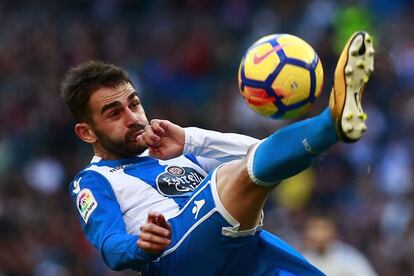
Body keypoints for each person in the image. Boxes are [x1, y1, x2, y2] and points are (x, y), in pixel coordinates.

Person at [61, 31, 374, 275]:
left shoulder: (171, 151)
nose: (133, 118)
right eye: (114, 114)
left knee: (251, 170)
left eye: (134, 103)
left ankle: (331, 124)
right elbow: (110, 246)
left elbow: (261, 154)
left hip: (244, 249)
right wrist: (139, 245)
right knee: (233, 176)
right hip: (178, 258)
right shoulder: (92, 180)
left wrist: (190, 140)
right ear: (87, 132)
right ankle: (331, 122)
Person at [302, 216, 378, 276]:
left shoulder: (348, 258)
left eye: (322, 228)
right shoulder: (303, 259)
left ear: (333, 231)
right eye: (312, 228)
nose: (316, 234)